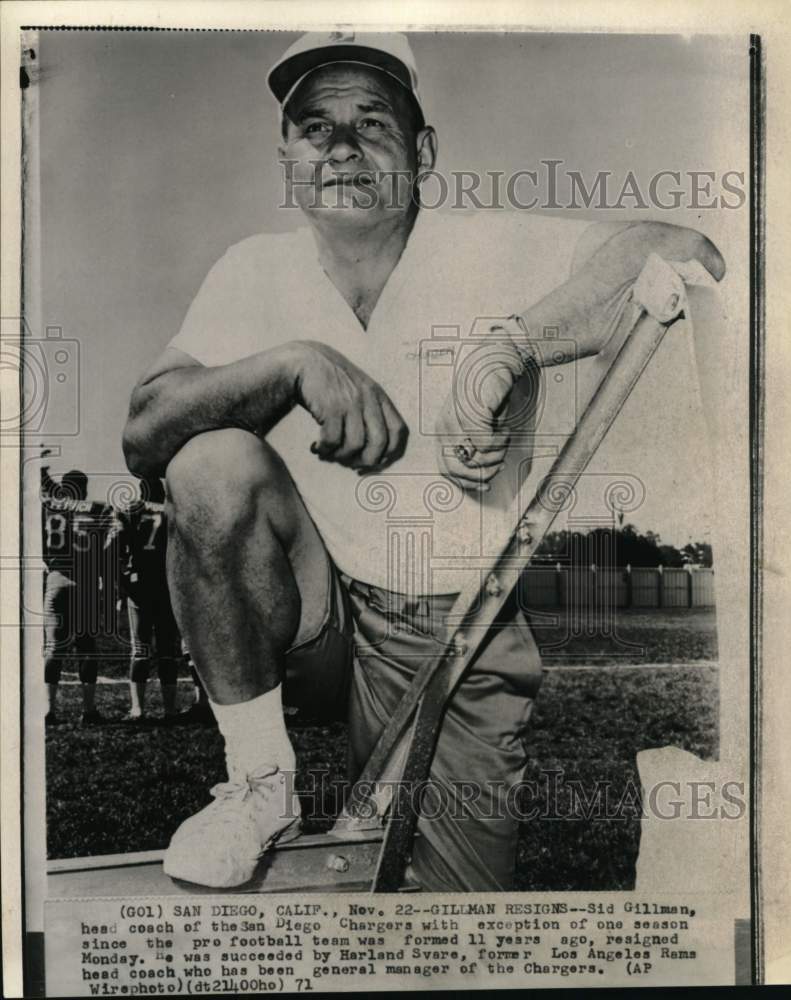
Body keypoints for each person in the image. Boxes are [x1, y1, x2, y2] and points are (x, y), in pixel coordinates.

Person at [122, 33, 725, 890]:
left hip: (449, 625)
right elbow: (145, 433)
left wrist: (509, 351)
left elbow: (685, 247)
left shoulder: (489, 244)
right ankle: (260, 782)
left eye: (372, 122)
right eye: (315, 127)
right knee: (210, 463)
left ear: (421, 150)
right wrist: (290, 363)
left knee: (451, 936)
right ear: (287, 157)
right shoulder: (253, 269)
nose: (342, 145)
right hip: (307, 609)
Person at [40, 450, 112, 726]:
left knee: (54, 648)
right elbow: (105, 541)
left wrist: (43, 471)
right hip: (84, 579)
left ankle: (49, 709)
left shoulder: (52, 507)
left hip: (57, 578)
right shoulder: (96, 508)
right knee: (87, 648)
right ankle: (89, 709)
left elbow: (46, 491)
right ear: (83, 488)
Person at [108, 478, 181, 723]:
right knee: (167, 652)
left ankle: (138, 709)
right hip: (165, 584)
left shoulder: (129, 509)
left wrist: (122, 576)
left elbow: (113, 544)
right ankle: (170, 710)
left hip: (140, 585)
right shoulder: (173, 510)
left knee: (140, 650)